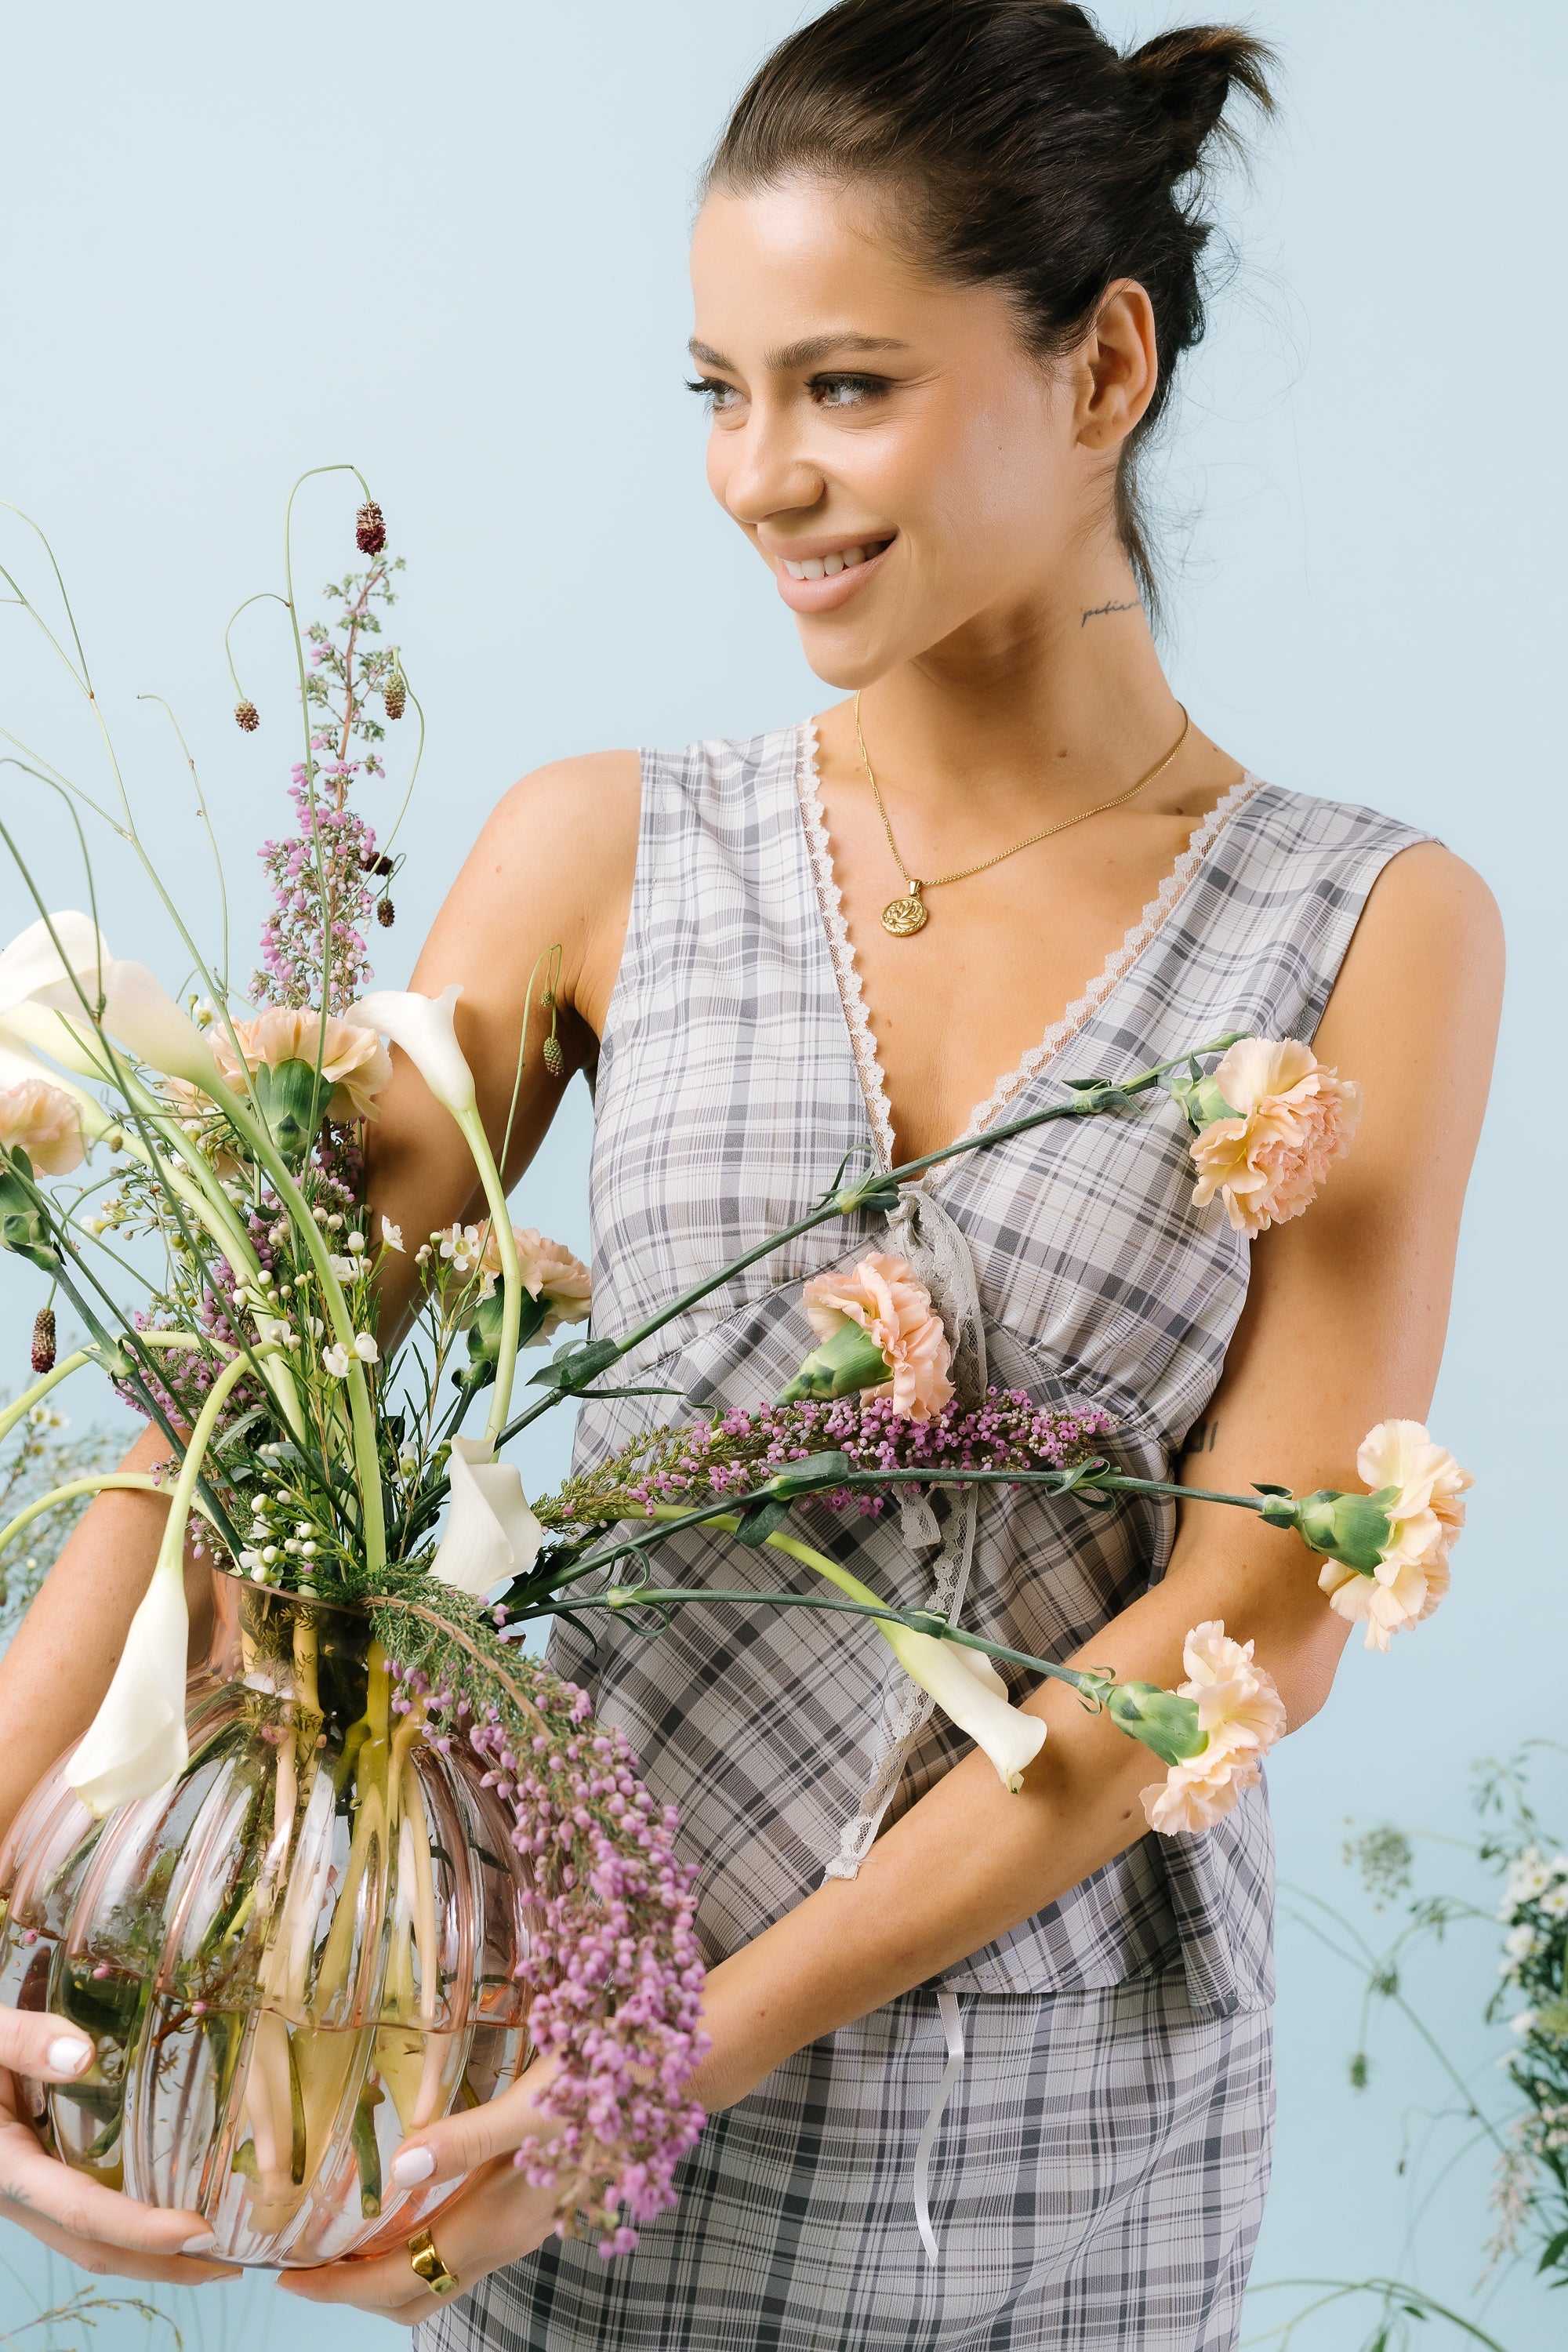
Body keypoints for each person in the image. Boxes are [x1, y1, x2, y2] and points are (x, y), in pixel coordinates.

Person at [0, 2, 1503, 2343]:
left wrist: (677, 2057)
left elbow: (1256, 1624)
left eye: (846, 385)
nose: (759, 475)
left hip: (1055, 2123)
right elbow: (223, 1407)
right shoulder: (607, 850)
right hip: (566, 2074)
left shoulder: (1369, 927)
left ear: (1103, 368)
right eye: (718, 390)